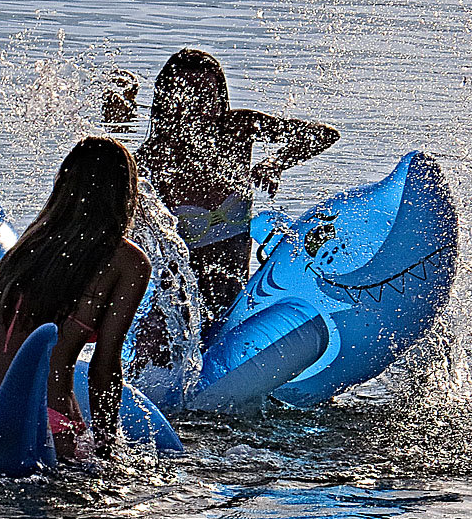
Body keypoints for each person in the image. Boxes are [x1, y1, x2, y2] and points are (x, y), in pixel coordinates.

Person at [0, 136, 151, 460]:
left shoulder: (33, 242)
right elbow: (105, 364)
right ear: (124, 193)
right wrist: (108, 443)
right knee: (88, 497)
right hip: (41, 409)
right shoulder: (127, 261)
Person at [134, 48, 340, 330]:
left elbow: (323, 135)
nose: (201, 107)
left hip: (235, 306)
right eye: (189, 96)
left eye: (208, 96)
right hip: (178, 309)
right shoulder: (152, 159)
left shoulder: (237, 129)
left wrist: (276, 163)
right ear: (170, 101)